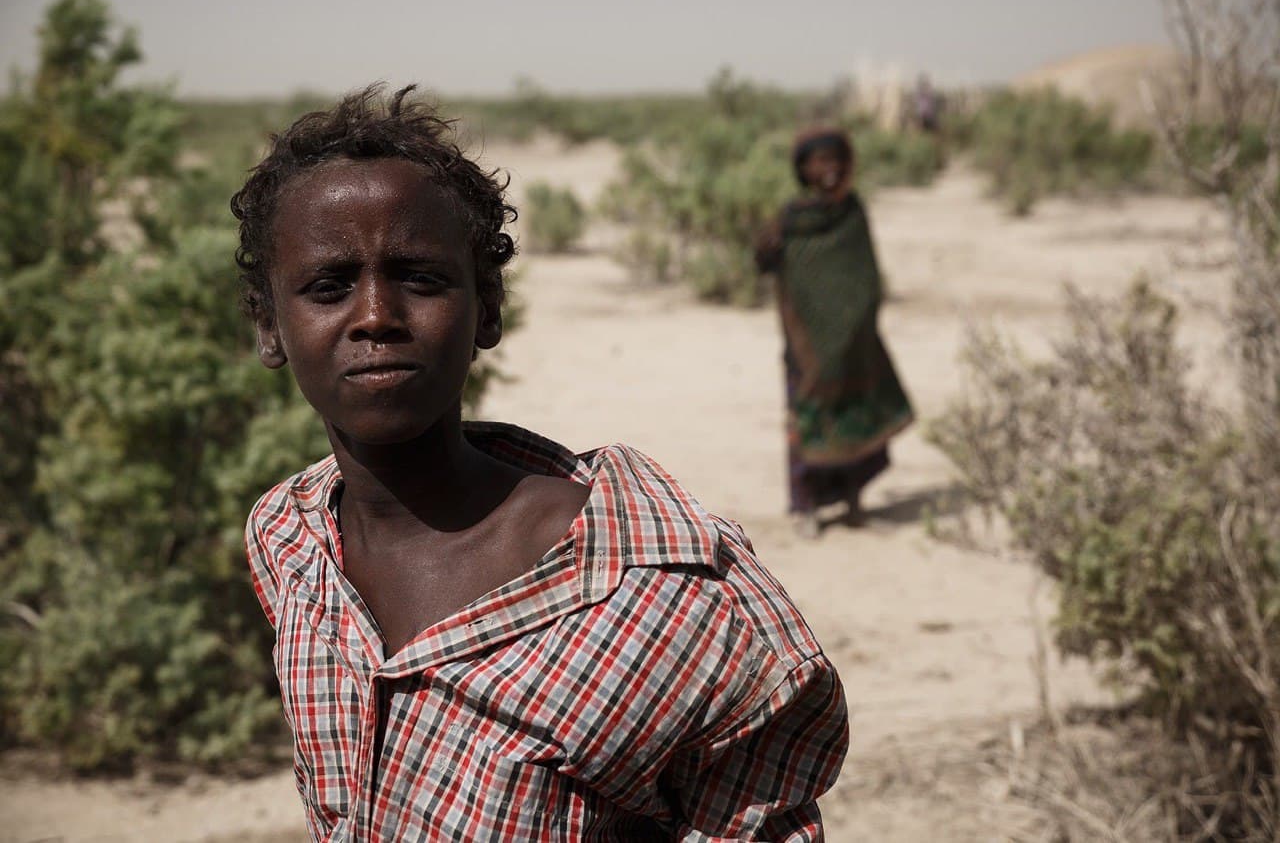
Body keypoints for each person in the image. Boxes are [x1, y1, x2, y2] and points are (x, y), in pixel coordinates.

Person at [232, 84, 848, 840]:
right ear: (269, 326)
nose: (374, 317)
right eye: (329, 286)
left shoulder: (657, 598)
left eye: (420, 278)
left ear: (487, 305)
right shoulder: (291, 546)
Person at [755, 128, 914, 538]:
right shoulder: (792, 219)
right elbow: (766, 264)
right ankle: (807, 507)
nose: (830, 169)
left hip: (855, 338)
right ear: (803, 169)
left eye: (836, 160)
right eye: (819, 161)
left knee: (855, 414)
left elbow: (864, 273)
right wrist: (766, 246)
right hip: (806, 343)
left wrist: (859, 318)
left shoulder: (852, 212)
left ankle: (853, 502)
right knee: (809, 418)